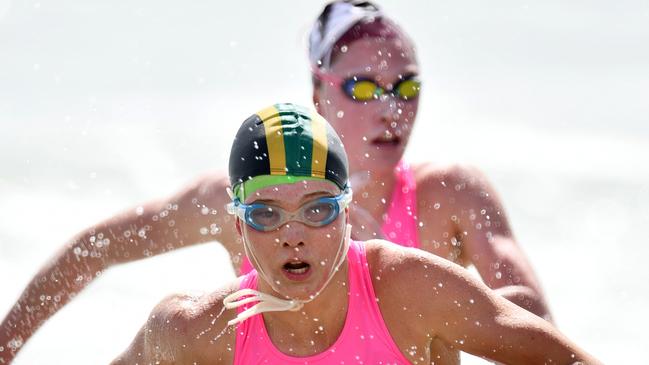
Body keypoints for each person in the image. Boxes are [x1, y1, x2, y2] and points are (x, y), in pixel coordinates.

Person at [1, 1, 550, 362]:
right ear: (318, 94)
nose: (390, 109)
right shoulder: (232, 199)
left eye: (405, 87)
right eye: (363, 87)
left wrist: (479, 312)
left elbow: (523, 307)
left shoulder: (447, 195)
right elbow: (94, 250)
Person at [112, 103, 599, 365]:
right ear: (239, 227)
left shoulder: (410, 290)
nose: (293, 236)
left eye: (318, 210)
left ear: (348, 214)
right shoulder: (194, 331)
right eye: (267, 216)